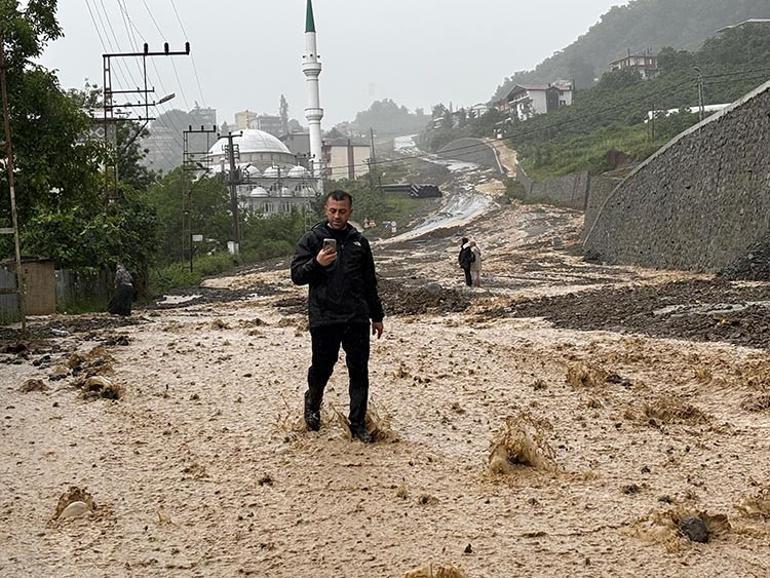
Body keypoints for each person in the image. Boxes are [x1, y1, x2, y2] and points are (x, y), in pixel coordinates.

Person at [291, 190, 385, 443]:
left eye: (342, 211)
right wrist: (317, 263)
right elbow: (297, 276)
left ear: (350, 212)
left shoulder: (359, 242)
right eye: (333, 211)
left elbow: (369, 282)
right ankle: (312, 404)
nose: (337, 216)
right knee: (322, 368)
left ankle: (358, 425)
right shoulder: (312, 239)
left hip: (356, 317)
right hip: (324, 317)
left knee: (359, 371)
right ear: (325, 210)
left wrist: (377, 316)